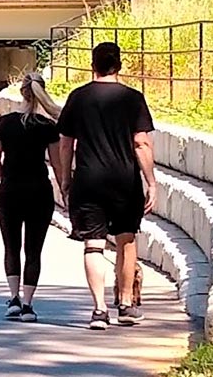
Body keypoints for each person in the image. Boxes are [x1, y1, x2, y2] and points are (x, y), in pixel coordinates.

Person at [55, 42, 158, 330]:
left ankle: (99, 310)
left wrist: (65, 179)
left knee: (93, 245)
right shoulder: (132, 98)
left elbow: (66, 144)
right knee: (126, 240)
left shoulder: (78, 97)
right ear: (119, 65)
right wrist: (151, 181)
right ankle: (125, 304)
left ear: (93, 65)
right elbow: (141, 143)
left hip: (88, 180)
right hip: (124, 180)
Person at [0, 71, 64, 323]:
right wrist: (66, 189)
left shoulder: (4, 124)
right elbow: (56, 164)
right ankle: (29, 304)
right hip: (39, 192)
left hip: (10, 191)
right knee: (34, 250)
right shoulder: (48, 127)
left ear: (22, 92)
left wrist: (4, 176)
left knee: (11, 247)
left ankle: (13, 299)